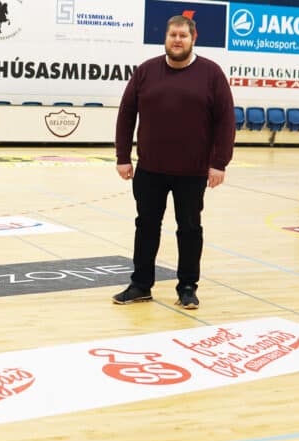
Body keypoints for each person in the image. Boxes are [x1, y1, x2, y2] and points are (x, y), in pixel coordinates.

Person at [112, 15, 235, 310]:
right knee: (146, 226)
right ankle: (141, 285)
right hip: (149, 169)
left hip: (192, 171)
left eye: (183, 35)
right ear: (165, 38)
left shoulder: (211, 73)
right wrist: (122, 156)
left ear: (193, 38)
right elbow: (126, 114)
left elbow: (226, 120)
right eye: (173, 35)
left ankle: (188, 287)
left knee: (190, 229)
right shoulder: (146, 71)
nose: (177, 40)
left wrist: (220, 162)